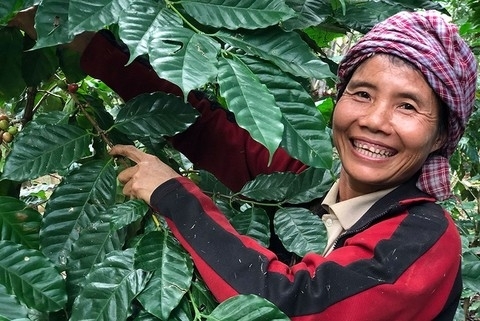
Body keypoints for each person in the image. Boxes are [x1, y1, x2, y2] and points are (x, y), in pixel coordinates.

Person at [10, 8, 478, 321]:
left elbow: (293, 304)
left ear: (441, 135)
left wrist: (174, 195)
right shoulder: (306, 184)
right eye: (362, 94)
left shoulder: (425, 238)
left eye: (408, 106)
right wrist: (85, 43)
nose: (374, 121)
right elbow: (206, 131)